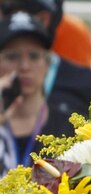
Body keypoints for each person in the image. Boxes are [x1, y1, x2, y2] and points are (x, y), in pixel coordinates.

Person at [0, 0, 91, 118]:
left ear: (44, 19)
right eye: (11, 56)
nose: (24, 66)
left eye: (6, 7)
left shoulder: (87, 84)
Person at [0, 11, 71, 174]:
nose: (24, 66)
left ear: (47, 65)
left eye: (34, 56)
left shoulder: (68, 125)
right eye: (12, 57)